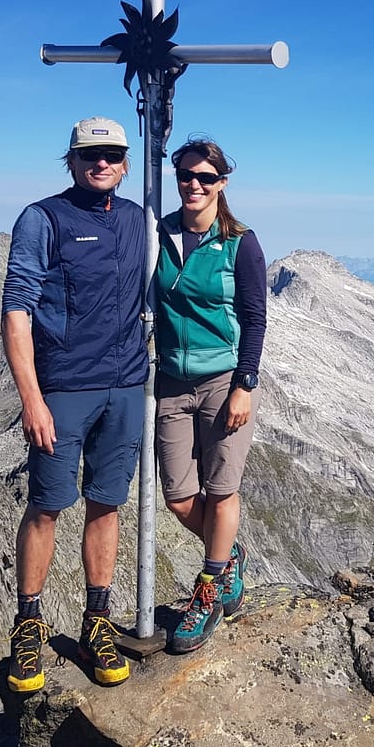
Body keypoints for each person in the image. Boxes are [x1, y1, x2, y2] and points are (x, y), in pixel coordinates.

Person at [0, 117, 147, 691]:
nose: (101, 163)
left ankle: (97, 620)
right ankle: (29, 625)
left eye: (112, 154)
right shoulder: (43, 218)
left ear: (127, 161)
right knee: (46, 505)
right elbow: (16, 310)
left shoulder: (138, 220)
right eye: (91, 155)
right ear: (72, 160)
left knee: (106, 503)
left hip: (126, 385)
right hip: (62, 388)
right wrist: (31, 399)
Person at [155, 137, 266, 654]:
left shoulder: (241, 243)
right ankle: (229, 559)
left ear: (222, 183)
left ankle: (208, 589)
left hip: (223, 382)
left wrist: (245, 385)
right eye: (186, 176)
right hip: (171, 383)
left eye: (205, 177)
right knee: (179, 496)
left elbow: (254, 318)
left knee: (221, 490)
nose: (194, 185)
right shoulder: (159, 234)